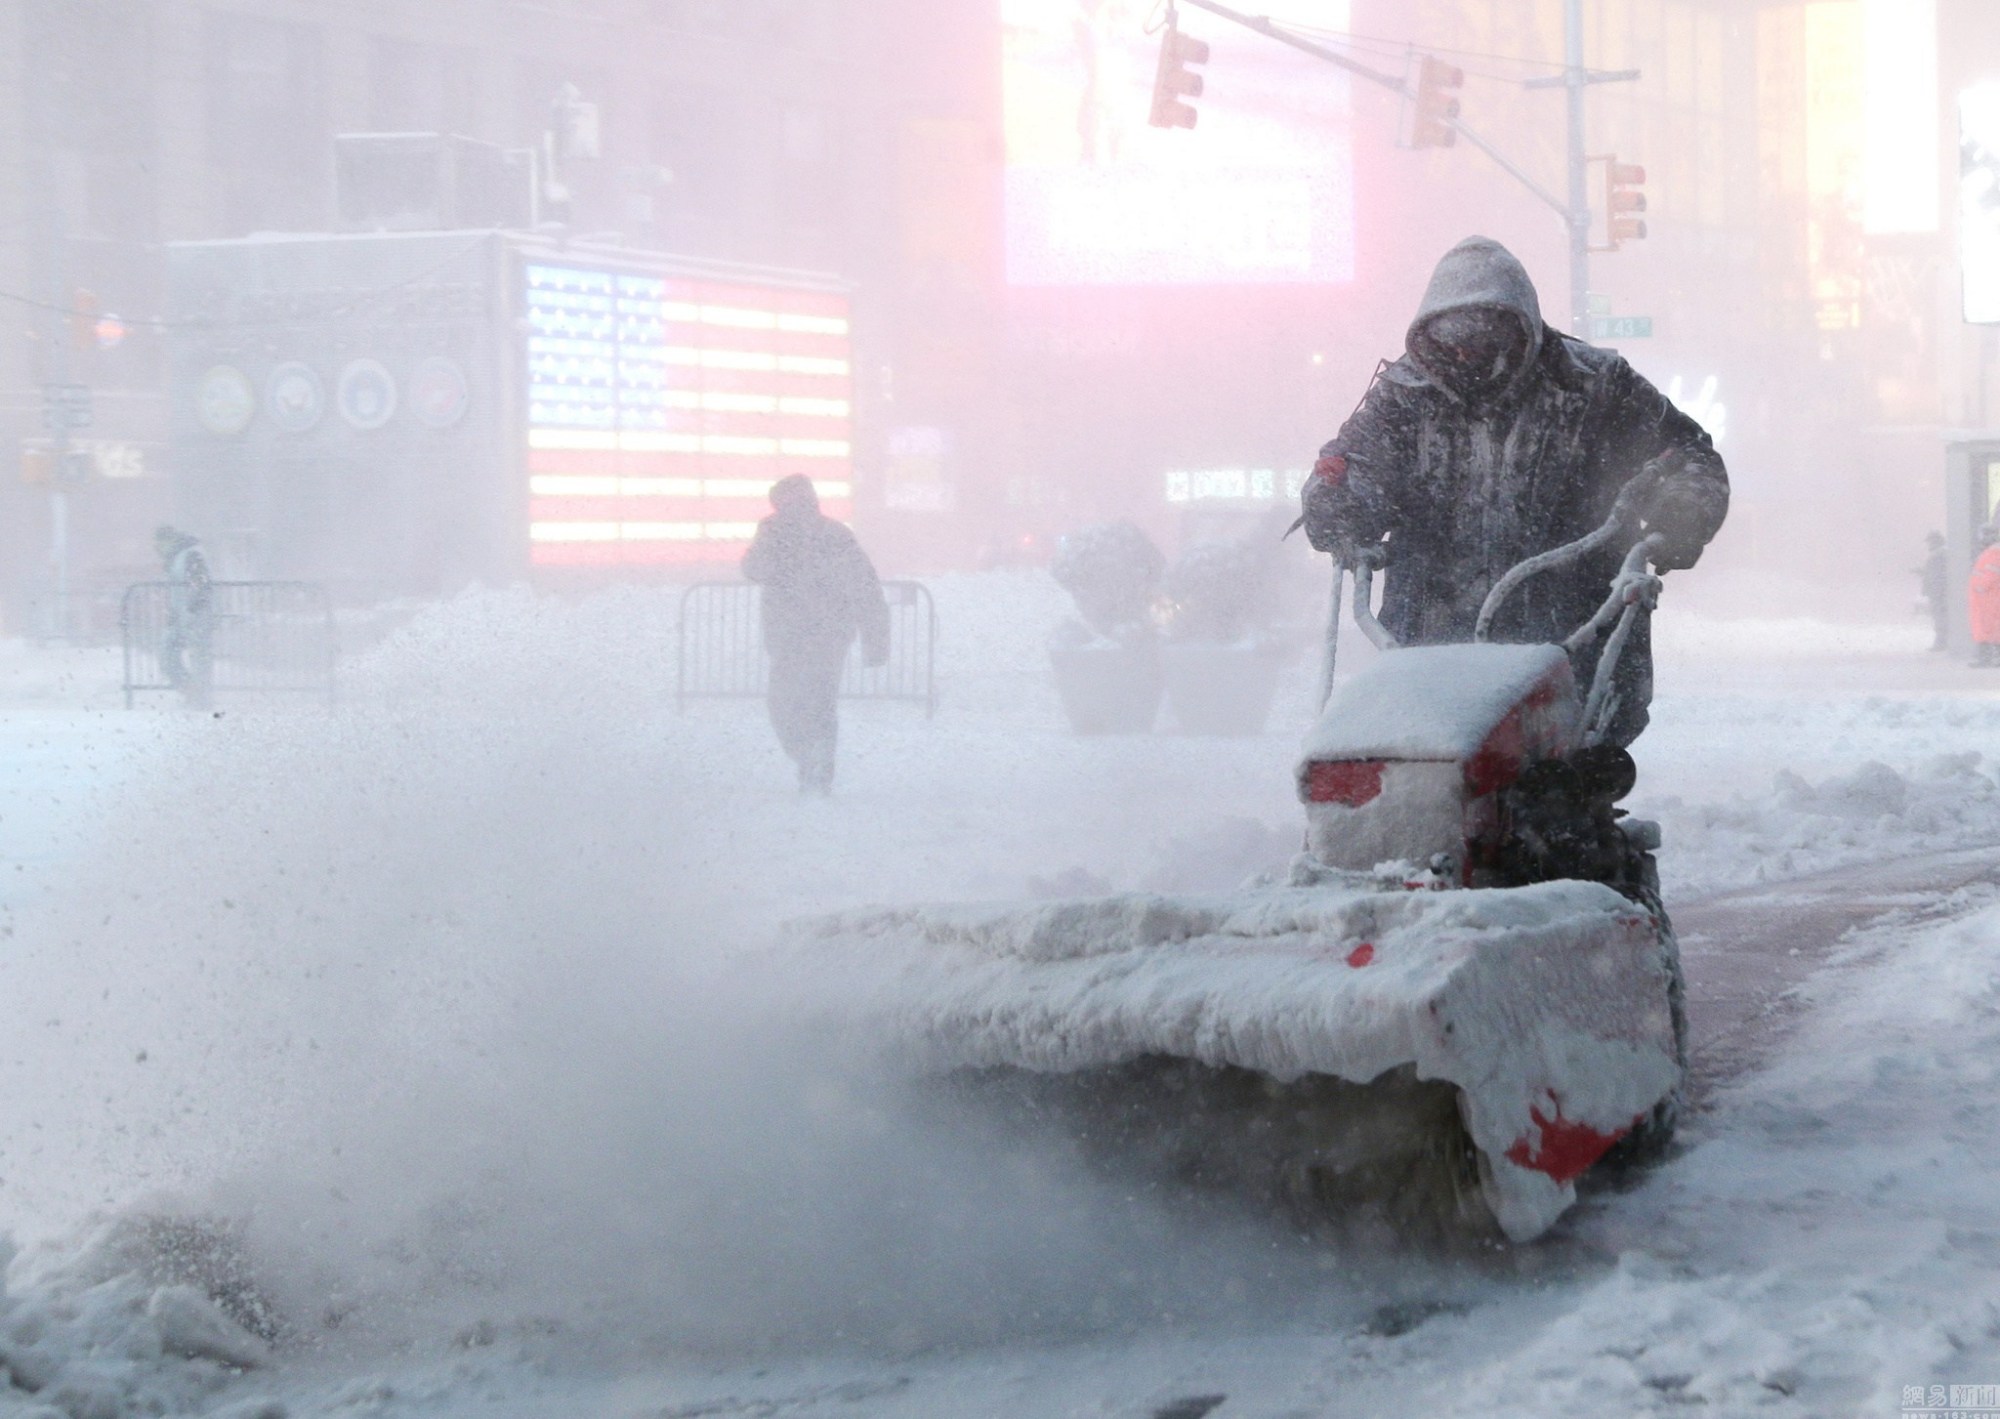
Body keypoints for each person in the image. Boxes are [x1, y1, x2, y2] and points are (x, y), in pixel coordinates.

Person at [1300, 235, 1729, 748]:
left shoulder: (1595, 386)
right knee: (1426, 766)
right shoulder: (1404, 398)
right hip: (1430, 639)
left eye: (1482, 336)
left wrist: (1680, 511)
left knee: (1580, 764)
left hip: (1573, 626)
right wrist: (1340, 502)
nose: (1465, 350)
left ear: (1520, 326)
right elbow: (1360, 466)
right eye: (1451, 337)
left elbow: (1686, 454)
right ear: (1426, 333)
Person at [741, 475, 890, 794]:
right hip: (802, 637)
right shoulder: (782, 534)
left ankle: (815, 764)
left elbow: (864, 585)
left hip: (816, 635)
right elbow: (754, 569)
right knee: (796, 705)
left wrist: (875, 639)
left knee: (805, 704)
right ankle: (812, 759)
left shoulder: (831, 535)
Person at [154, 525, 214, 710]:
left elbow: (201, 583)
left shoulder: (190, 555)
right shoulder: (177, 557)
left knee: (198, 657)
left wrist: (194, 606)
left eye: (160, 543)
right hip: (182, 617)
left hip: (196, 616)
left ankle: (200, 697)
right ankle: (192, 691)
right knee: (168, 655)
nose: (156, 548)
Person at [1971, 524, 2000, 668]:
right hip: (1985, 597)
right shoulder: (1990, 552)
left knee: (1988, 628)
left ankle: (1987, 658)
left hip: (1988, 597)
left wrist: (1980, 587)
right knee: (1987, 628)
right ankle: (1988, 658)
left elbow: (1992, 573)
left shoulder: (1993, 552)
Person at [1919, 531, 1948, 651]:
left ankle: (1941, 643)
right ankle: (1941, 641)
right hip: (1939, 591)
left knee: (1940, 617)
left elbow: (1935, 575)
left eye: (1930, 541)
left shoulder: (1937, 554)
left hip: (1938, 592)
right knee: (1940, 617)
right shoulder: (1941, 553)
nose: (1928, 544)